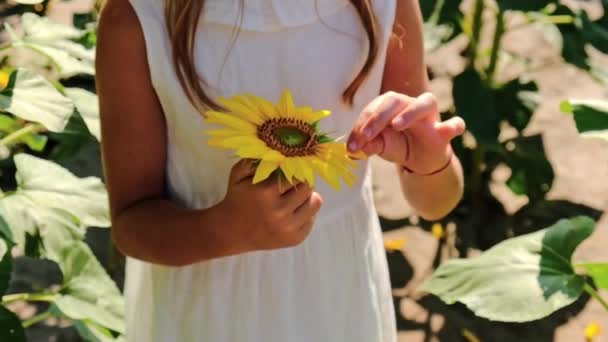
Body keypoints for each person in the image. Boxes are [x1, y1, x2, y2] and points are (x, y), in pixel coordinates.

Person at [96, 0, 465, 341]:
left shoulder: (382, 6)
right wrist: (223, 229)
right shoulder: (138, 17)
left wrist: (431, 161)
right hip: (208, 303)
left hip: (337, 292)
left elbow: (437, 203)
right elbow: (131, 224)